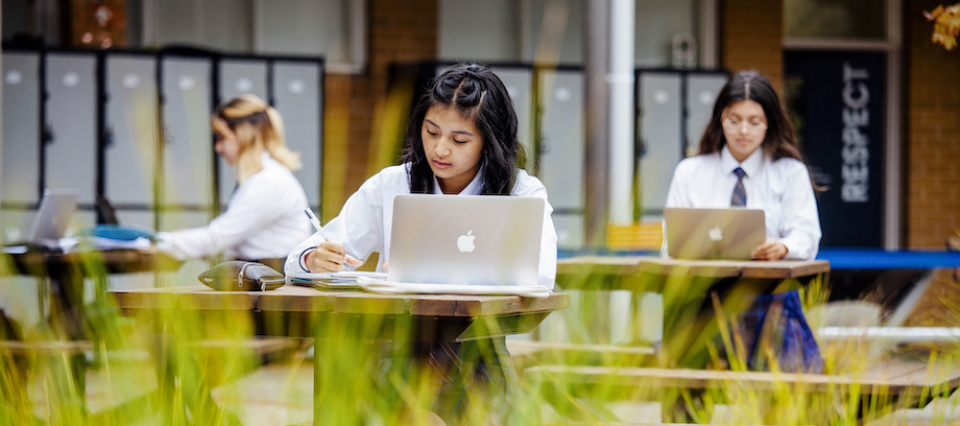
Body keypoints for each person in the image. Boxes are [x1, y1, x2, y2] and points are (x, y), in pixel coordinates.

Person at [285, 63, 557, 422]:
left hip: (475, 349)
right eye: (431, 133)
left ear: (489, 143)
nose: (440, 149)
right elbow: (300, 258)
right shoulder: (392, 183)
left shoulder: (521, 192)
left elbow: (540, 276)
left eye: (459, 140)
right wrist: (314, 258)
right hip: (395, 348)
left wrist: (438, 276)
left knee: (454, 373)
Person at [663, 71, 823, 373]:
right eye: (733, 120)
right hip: (700, 299)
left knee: (784, 398)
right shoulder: (690, 172)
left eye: (755, 121)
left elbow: (807, 236)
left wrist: (783, 247)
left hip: (767, 299)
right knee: (684, 385)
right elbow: (669, 244)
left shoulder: (789, 172)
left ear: (769, 123)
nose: (743, 131)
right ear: (719, 119)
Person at [156, 94, 313, 270]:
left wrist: (156, 241)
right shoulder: (263, 177)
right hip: (261, 277)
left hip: (270, 287)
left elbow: (217, 239)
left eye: (222, 137)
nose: (218, 148)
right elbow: (231, 240)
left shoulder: (268, 182)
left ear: (245, 135)